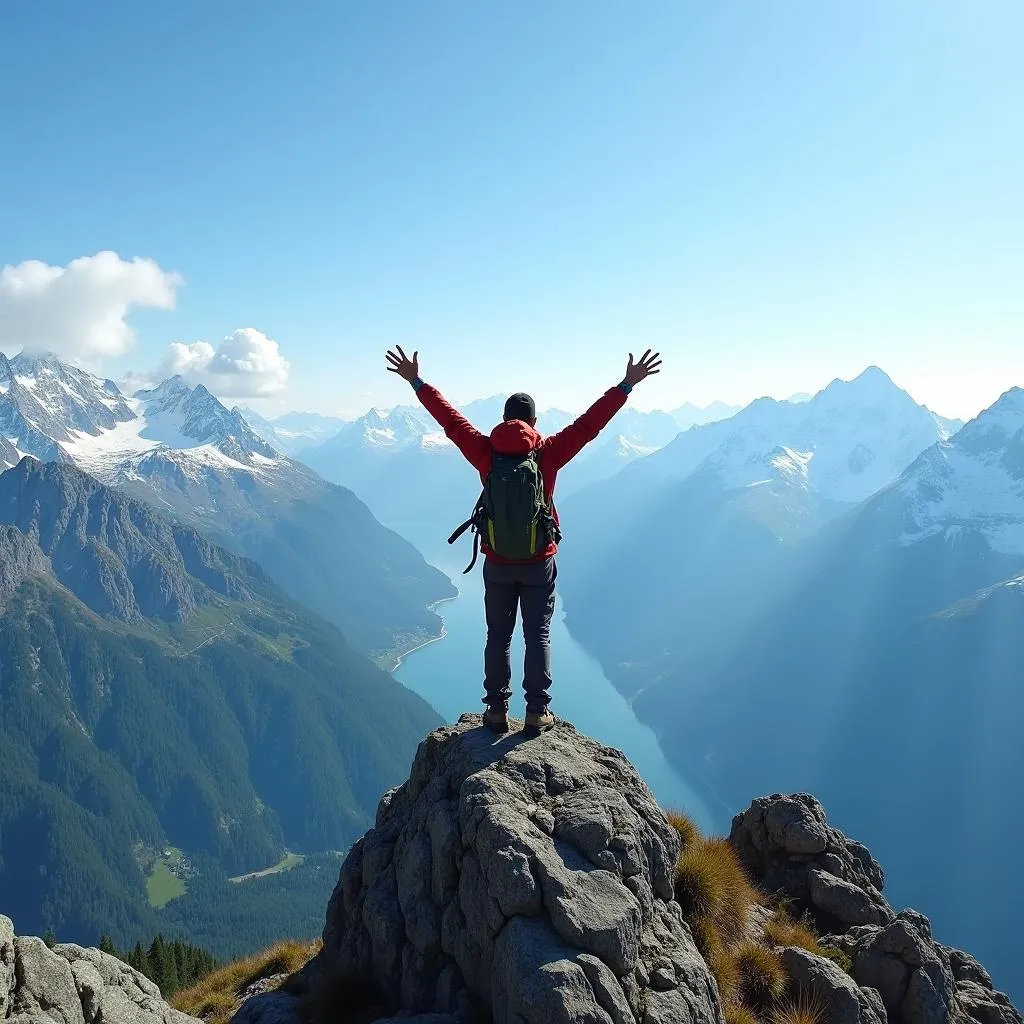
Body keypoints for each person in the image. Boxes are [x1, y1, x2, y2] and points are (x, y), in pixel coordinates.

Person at [385, 346, 662, 734]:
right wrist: (626, 386)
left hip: (497, 561)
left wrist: (417, 382)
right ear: (534, 421)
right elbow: (589, 425)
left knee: (498, 636)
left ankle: (496, 710)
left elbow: (450, 421)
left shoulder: (485, 451)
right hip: (538, 560)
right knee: (538, 635)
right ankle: (536, 712)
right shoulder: (547, 453)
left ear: (503, 420)